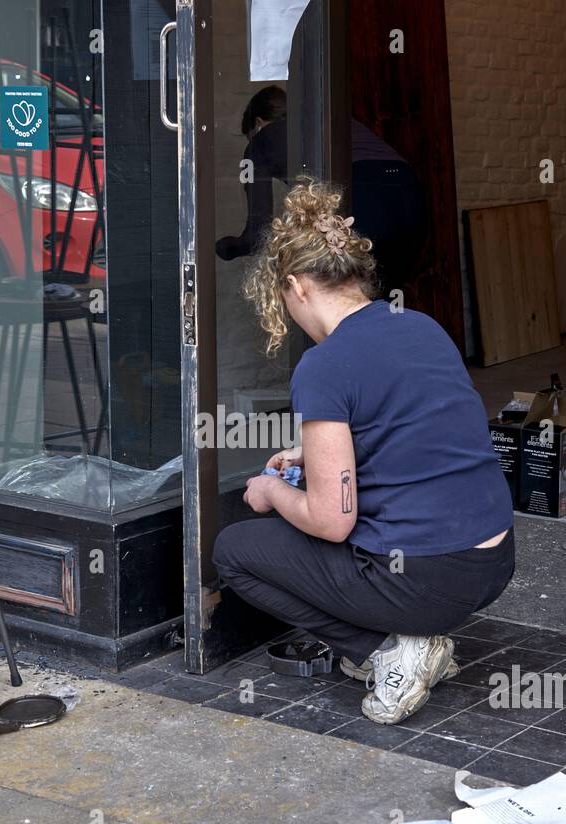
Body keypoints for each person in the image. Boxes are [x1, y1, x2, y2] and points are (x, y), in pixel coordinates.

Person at [213, 179, 515, 726]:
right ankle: (410, 638)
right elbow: (413, 431)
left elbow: (332, 521)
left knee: (234, 550)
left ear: (295, 286)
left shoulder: (323, 365)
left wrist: (272, 491)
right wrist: (311, 453)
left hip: (427, 580)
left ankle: (388, 651)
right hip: (492, 561)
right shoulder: (419, 326)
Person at [216, 87, 426, 295]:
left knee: (343, 294)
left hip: (360, 193)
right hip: (409, 192)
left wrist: (227, 247)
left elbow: (256, 235)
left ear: (258, 123)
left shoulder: (262, 139)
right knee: (384, 294)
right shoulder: (325, 119)